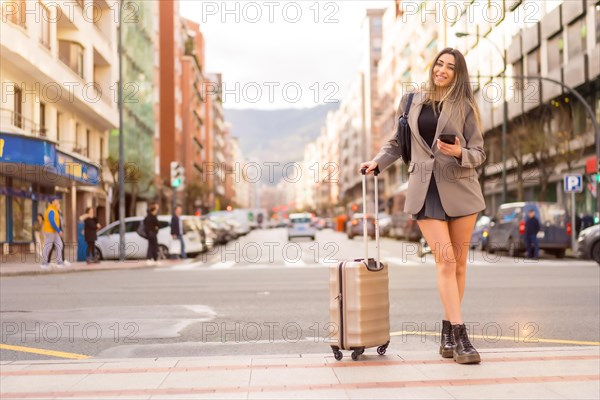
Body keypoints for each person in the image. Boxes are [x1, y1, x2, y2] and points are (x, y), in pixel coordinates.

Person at [360, 48, 485, 364]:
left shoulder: (465, 106)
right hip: (423, 188)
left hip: (461, 188)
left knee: (458, 264)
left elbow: (479, 153)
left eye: (450, 67)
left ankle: (446, 331)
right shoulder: (411, 101)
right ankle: (460, 336)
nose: (442, 70)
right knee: (444, 261)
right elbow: (396, 142)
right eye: (439, 64)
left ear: (459, 74)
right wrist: (377, 163)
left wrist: (459, 152)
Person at [41, 197, 66, 269]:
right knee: (48, 246)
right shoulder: (51, 210)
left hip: (54, 232)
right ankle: (44, 263)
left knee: (60, 245)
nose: (58, 201)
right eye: (56, 200)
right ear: (52, 202)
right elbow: (52, 221)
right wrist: (59, 230)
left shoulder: (54, 210)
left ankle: (60, 262)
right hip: (50, 231)